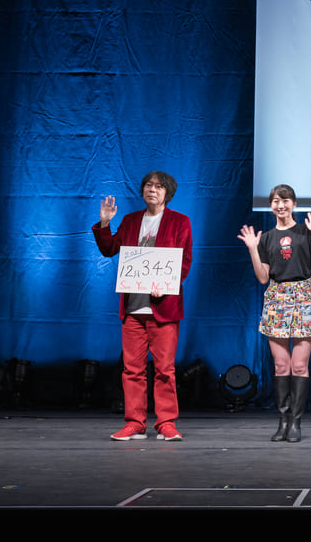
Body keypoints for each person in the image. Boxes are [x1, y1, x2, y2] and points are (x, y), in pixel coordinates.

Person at [92, 171, 192, 442]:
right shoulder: (130, 220)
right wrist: (105, 223)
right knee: (132, 370)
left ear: (167, 193)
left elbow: (184, 262)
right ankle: (135, 423)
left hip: (163, 308)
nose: (152, 190)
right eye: (149, 185)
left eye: (159, 187)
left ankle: (166, 423)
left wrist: (168, 285)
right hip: (133, 309)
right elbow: (109, 249)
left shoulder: (180, 221)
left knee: (165, 370)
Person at [237, 184, 311, 443]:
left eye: (285, 200)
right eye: (276, 201)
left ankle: (296, 422)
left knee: (299, 365)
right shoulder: (267, 238)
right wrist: (253, 248)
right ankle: (283, 420)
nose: (281, 205)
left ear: (294, 204)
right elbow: (263, 277)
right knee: (281, 365)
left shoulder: (305, 231)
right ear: (271, 206)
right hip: (277, 298)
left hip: (304, 297)